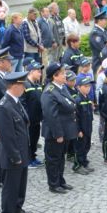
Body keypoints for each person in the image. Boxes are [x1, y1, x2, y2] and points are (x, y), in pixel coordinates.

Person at [0, 70, 33, 213]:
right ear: (14, 86)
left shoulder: (16, 102)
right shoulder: (4, 106)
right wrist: (15, 156)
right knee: (10, 185)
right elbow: (6, 136)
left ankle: (17, 207)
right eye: (22, 84)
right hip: (13, 154)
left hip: (22, 151)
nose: (24, 87)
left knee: (21, 182)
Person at [41, 62, 77, 194]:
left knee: (61, 157)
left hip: (65, 130)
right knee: (53, 159)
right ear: (54, 76)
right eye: (62, 74)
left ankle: (60, 180)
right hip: (56, 133)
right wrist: (58, 134)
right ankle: (53, 184)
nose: (65, 75)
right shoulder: (49, 92)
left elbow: (70, 103)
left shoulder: (61, 87)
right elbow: (51, 116)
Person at [21, 60, 45, 169]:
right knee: (28, 140)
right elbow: (22, 103)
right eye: (38, 71)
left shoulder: (38, 85)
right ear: (31, 72)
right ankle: (28, 160)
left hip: (37, 119)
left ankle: (33, 156)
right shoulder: (25, 85)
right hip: (29, 120)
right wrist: (26, 118)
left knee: (35, 139)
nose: (40, 74)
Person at [73, 74, 95, 175]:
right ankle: (78, 165)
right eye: (85, 86)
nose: (88, 88)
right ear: (78, 87)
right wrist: (78, 130)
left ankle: (84, 162)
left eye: (89, 86)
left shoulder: (87, 98)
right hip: (81, 129)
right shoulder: (78, 100)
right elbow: (75, 117)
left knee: (87, 146)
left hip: (88, 127)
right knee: (80, 148)